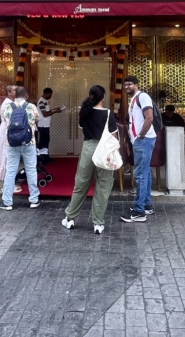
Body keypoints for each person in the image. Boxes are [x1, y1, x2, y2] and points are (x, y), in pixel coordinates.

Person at [61, 85, 119, 235]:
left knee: (81, 184)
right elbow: (113, 136)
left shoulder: (84, 112)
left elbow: (82, 129)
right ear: (103, 97)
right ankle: (98, 223)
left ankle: (70, 218)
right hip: (104, 150)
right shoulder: (107, 113)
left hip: (88, 148)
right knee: (103, 186)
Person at [0, 86, 42, 211]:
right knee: (31, 170)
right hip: (29, 142)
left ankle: (7, 202)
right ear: (26, 95)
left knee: (11, 171)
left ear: (15, 95)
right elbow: (37, 120)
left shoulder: (7, 107)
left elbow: (6, 122)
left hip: (12, 143)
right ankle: (34, 200)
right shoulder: (32, 107)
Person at [121, 76, 156, 223]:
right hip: (142, 140)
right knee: (145, 173)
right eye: (125, 85)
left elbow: (149, 118)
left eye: (129, 84)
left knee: (140, 175)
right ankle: (146, 205)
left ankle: (139, 212)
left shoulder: (143, 96)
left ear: (136, 84)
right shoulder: (134, 99)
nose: (126, 87)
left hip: (144, 140)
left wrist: (140, 135)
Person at [36, 87, 66, 159]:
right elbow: (45, 114)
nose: (51, 97)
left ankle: (46, 157)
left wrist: (56, 109)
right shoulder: (41, 102)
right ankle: (40, 158)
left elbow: (48, 111)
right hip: (42, 125)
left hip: (46, 125)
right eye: (50, 95)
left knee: (46, 141)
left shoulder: (45, 101)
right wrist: (55, 112)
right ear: (46, 94)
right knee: (42, 142)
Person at [0, 85, 16, 178]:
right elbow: (10, 119)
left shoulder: (12, 102)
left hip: (8, 129)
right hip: (7, 130)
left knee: (9, 155)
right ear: (9, 92)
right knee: (6, 155)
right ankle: (7, 182)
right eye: (15, 90)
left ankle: (9, 181)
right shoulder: (8, 104)